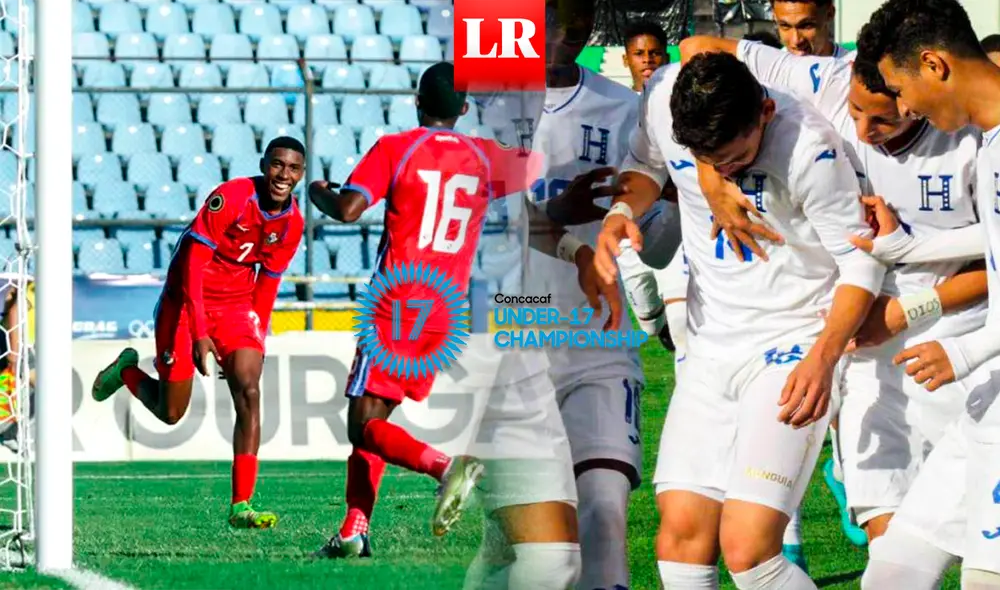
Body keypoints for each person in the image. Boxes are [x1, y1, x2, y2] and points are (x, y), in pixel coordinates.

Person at [309, 63, 618, 590]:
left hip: (397, 299)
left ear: (416, 101)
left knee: (362, 423)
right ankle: (355, 530)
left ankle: (443, 467)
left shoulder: (396, 147)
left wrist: (318, 189)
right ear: (464, 108)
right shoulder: (482, 158)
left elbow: (348, 208)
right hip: (446, 310)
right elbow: (536, 170)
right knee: (376, 417)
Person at [681, 32, 989, 552]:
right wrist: (712, 175)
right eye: (855, 113)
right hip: (866, 352)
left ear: (916, 97)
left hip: (963, 343)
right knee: (888, 546)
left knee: (979, 539)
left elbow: (996, 262)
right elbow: (696, 48)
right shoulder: (824, 79)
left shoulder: (971, 139)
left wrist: (908, 308)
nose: (863, 133)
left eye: (885, 119)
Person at [595, 52, 884, 589]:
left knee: (749, 550)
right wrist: (620, 214)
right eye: (708, 159)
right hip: (708, 348)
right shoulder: (664, 96)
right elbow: (645, 167)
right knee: (679, 539)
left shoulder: (809, 149)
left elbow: (861, 261)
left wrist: (822, 359)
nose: (725, 172)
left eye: (736, 157)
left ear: (766, 113)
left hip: (790, 343)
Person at [853, 0, 1000, 587]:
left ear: (935, 65)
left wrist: (961, 353)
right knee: (892, 572)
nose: (904, 106)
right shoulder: (989, 148)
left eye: (900, 88)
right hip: (986, 401)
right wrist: (907, 249)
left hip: (985, 379)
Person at [91, 136, 307, 529]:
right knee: (172, 413)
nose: (284, 175)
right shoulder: (232, 196)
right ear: (264, 164)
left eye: (293, 168)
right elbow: (193, 261)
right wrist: (200, 330)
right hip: (185, 301)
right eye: (278, 165)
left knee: (250, 389)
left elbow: (269, 281)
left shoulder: (292, 222)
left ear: (301, 174)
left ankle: (241, 504)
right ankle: (126, 371)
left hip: (236, 306)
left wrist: (255, 334)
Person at [771, 0, 848, 57]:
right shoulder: (768, 72)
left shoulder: (852, 70)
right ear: (774, 17)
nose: (796, 41)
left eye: (806, 25)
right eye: (785, 25)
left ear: (829, 14)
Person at [622, 20, 669, 92]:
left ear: (667, 59)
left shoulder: (679, 101)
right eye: (639, 53)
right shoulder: (618, 100)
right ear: (626, 60)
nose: (647, 59)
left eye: (655, 53)